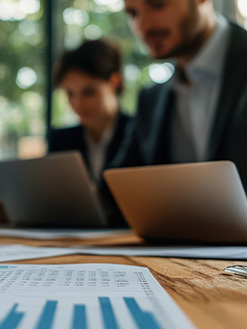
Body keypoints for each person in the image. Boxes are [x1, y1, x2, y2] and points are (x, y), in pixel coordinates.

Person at [110, 0, 247, 189]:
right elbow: (117, 186)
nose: (142, 26)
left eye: (157, 5)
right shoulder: (150, 100)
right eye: (133, 13)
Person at [50, 39, 131, 182]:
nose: (78, 103)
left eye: (89, 92)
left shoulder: (140, 134)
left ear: (114, 82)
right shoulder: (61, 141)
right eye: (70, 93)